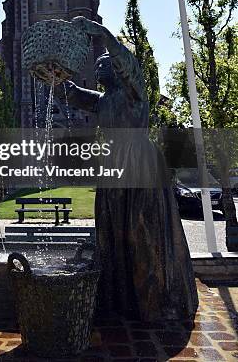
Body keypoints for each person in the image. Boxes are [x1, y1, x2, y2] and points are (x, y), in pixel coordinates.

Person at [60, 17, 198, 321]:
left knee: (142, 230)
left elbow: (128, 63)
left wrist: (103, 34)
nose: (98, 68)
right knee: (112, 232)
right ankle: (123, 300)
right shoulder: (105, 99)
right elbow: (73, 96)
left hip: (139, 163)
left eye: (104, 64)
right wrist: (56, 79)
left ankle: (157, 301)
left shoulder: (133, 91)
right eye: (96, 66)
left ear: (118, 69)